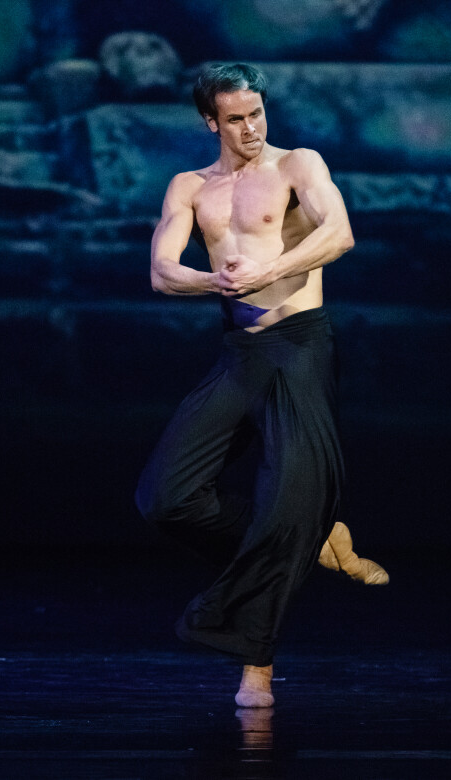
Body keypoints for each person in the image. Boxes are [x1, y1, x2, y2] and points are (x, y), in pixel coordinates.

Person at [134, 63, 388, 709]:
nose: (250, 128)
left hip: (300, 348)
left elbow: (339, 233)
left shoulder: (298, 164)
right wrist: (213, 281)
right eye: (235, 119)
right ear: (210, 122)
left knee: (284, 510)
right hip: (240, 354)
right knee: (165, 498)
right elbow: (162, 272)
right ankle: (314, 537)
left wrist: (269, 270)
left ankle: (257, 667)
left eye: (256, 114)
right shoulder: (191, 186)